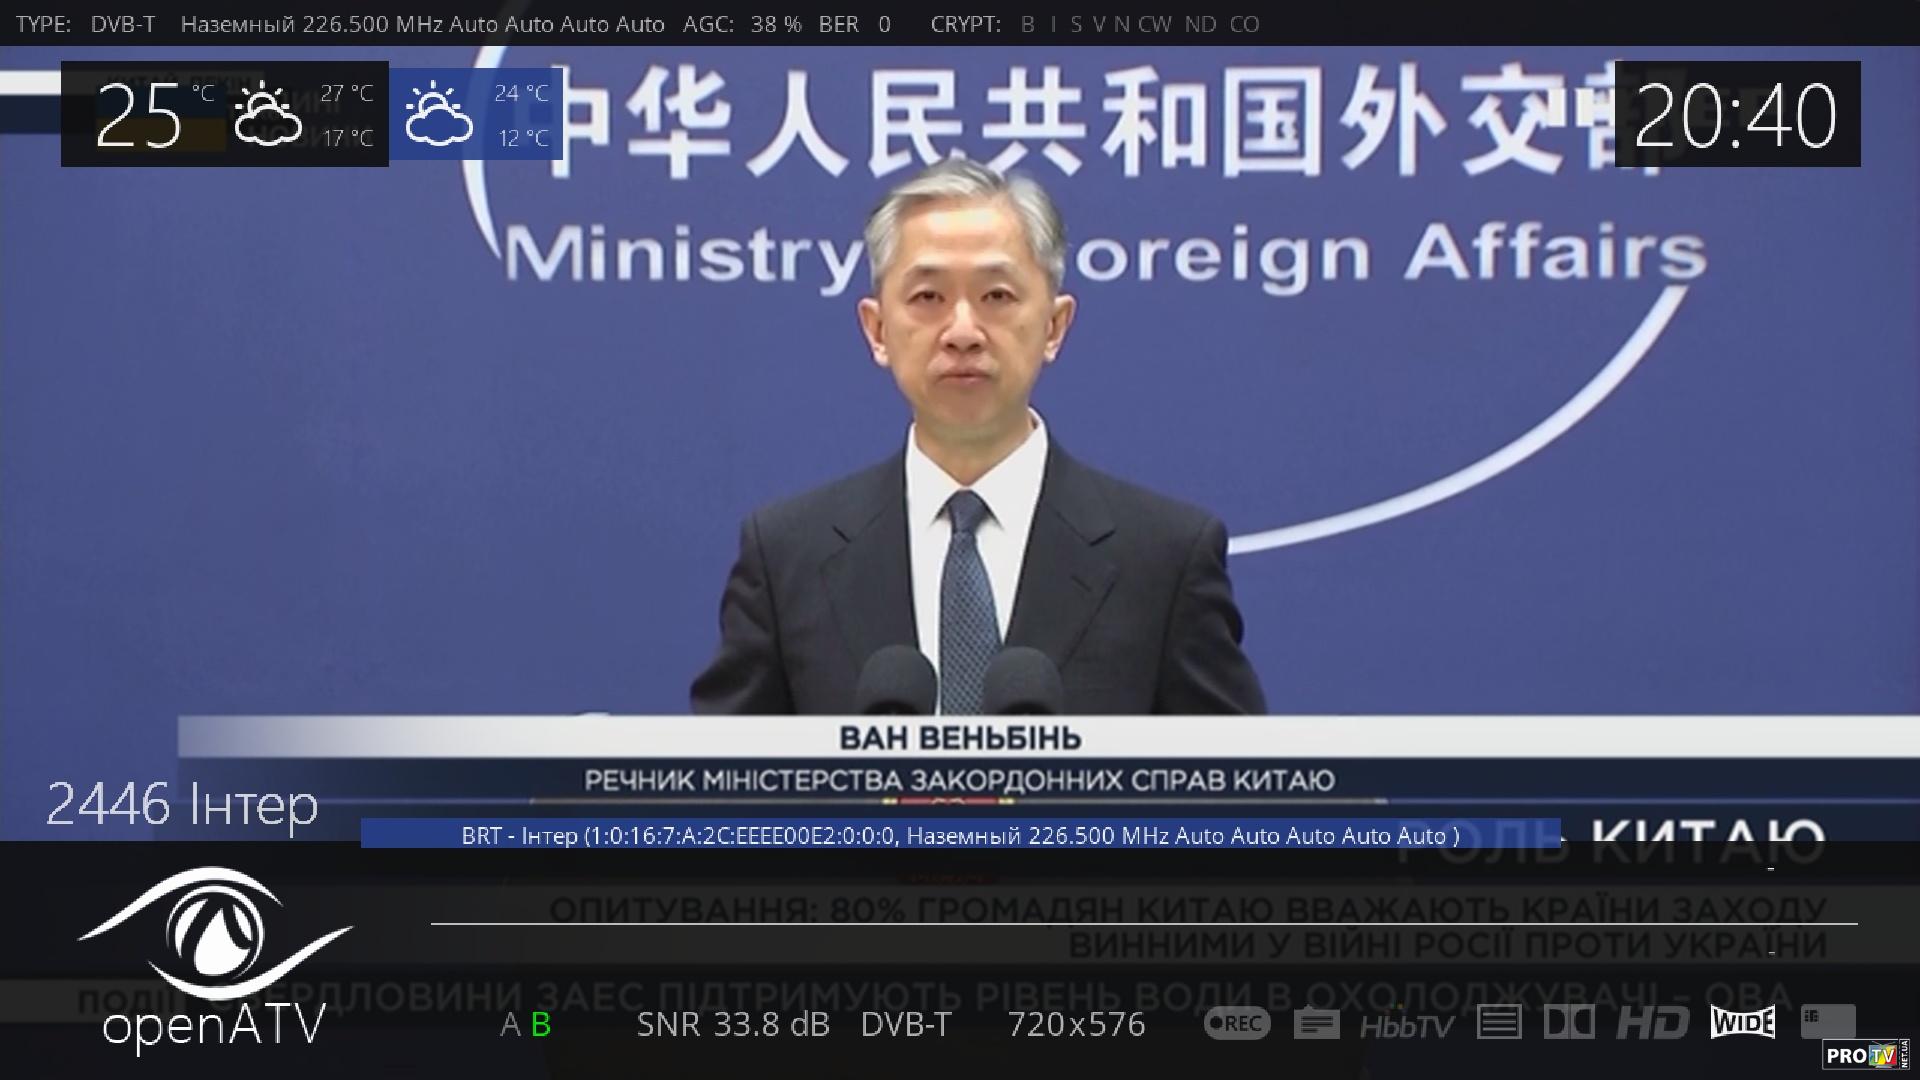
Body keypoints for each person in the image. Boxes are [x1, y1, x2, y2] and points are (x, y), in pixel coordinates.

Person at [690, 158, 1266, 715]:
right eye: (927, 298)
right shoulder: (787, 555)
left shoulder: (1164, 558)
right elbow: (722, 776)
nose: (962, 331)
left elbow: (1230, 778)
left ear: (1055, 325)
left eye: (997, 297)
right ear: (877, 329)